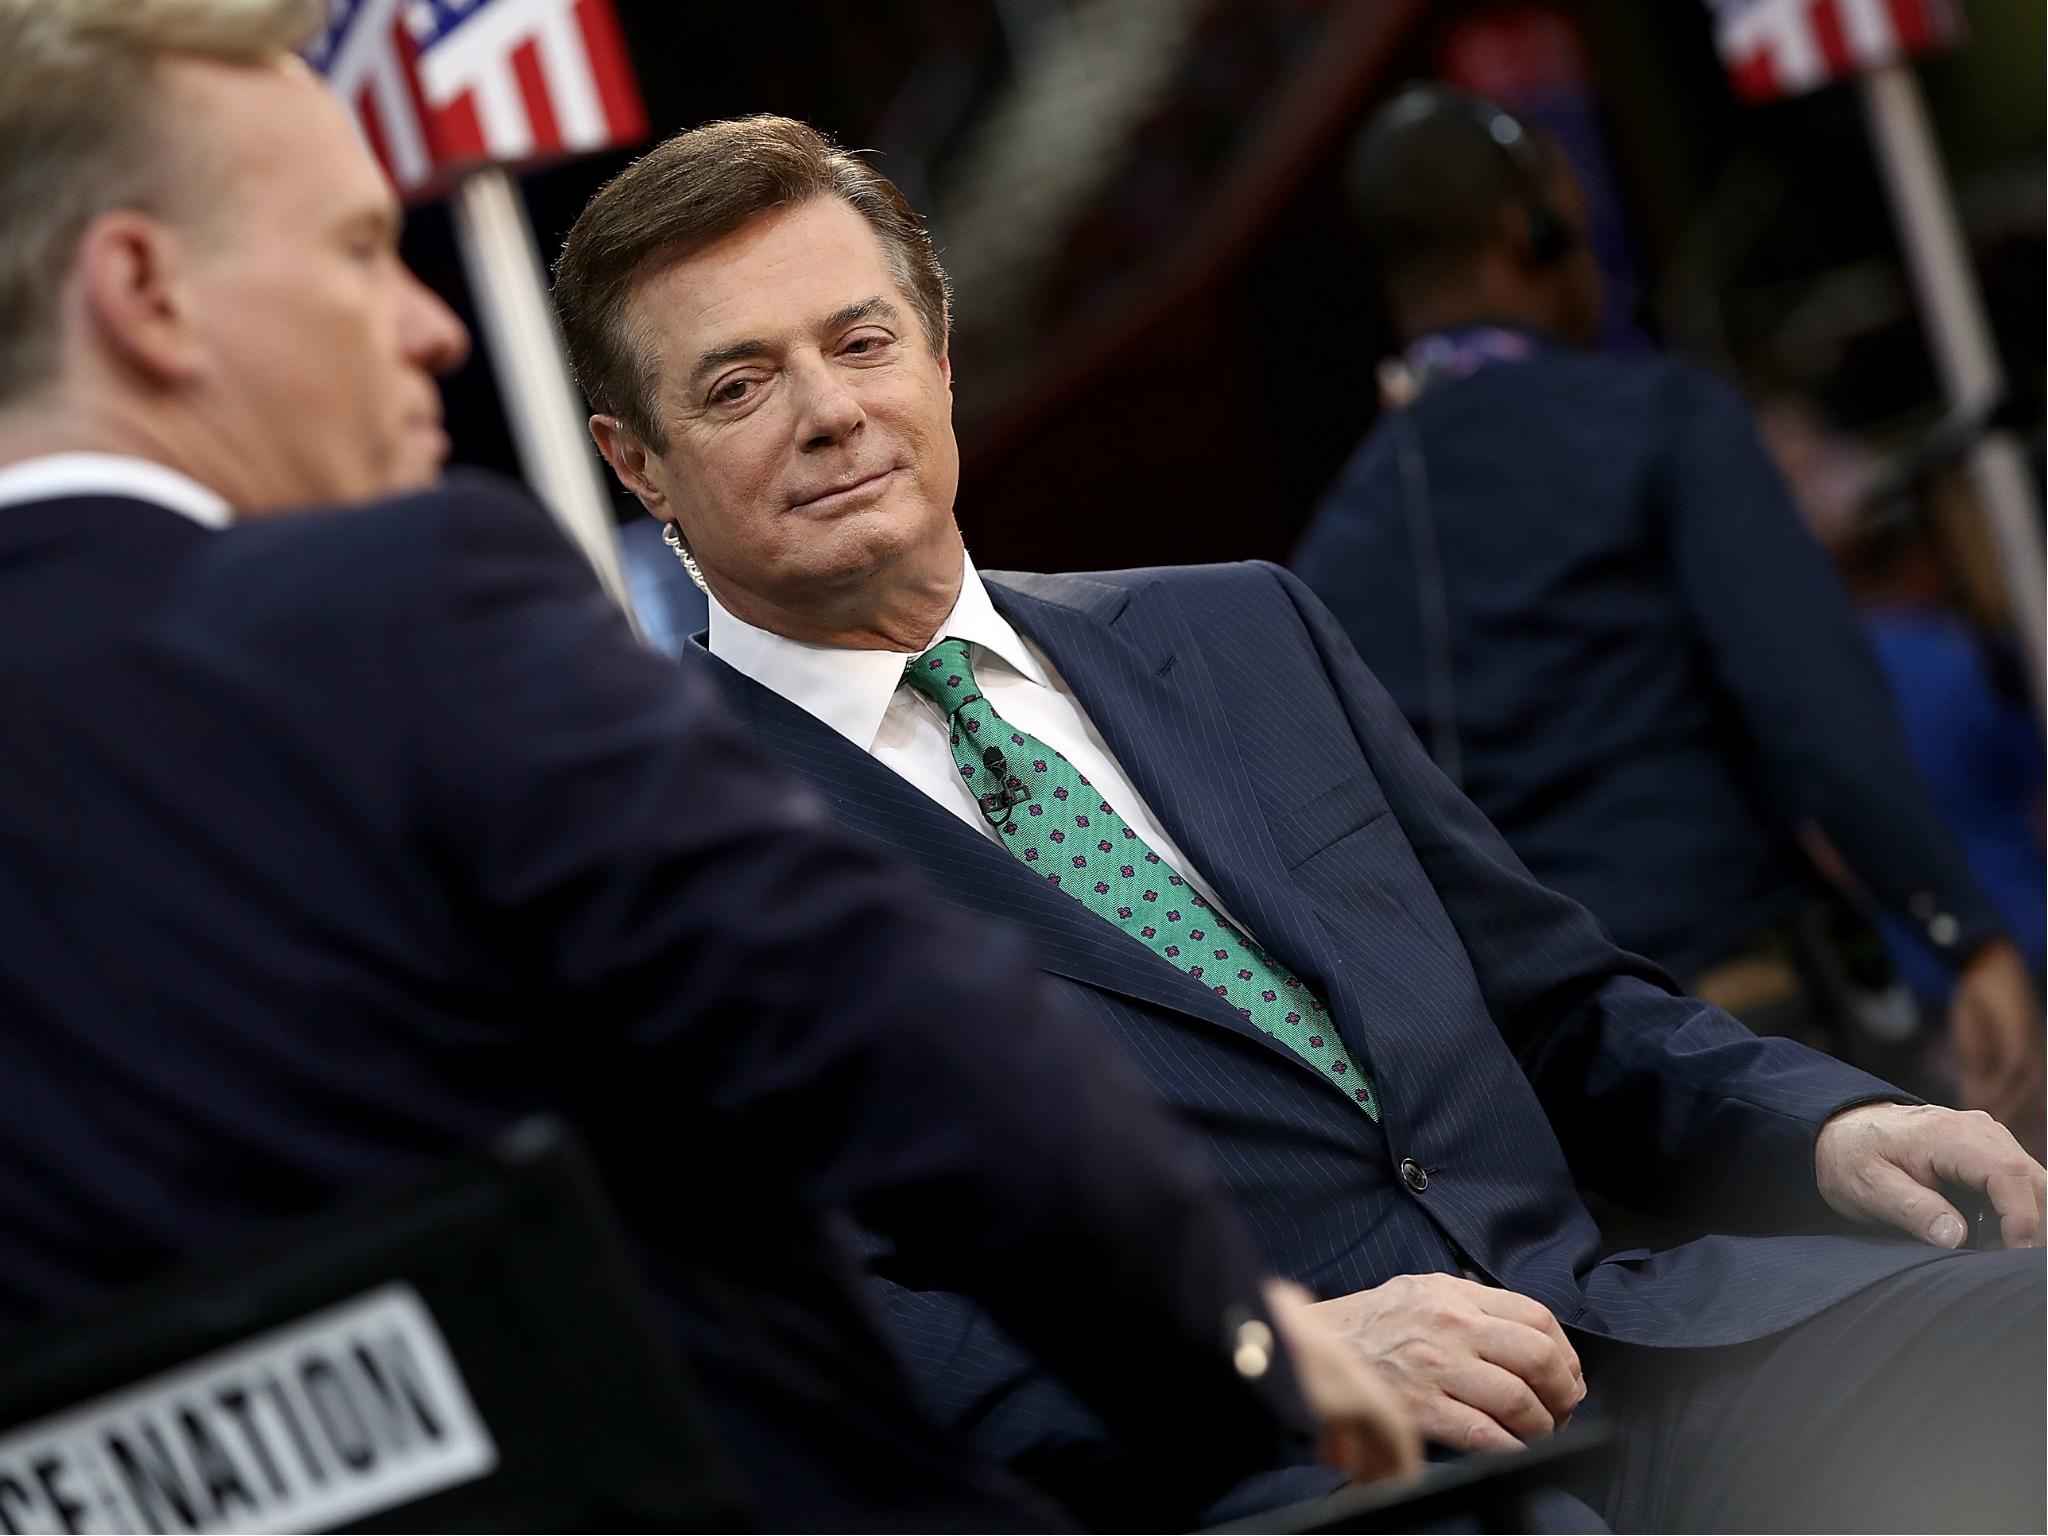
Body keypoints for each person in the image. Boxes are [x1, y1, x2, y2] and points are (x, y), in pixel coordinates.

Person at [0, 4, 1423, 1528]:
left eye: (865, 343)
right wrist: (1241, 1341)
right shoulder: (401, 607)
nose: (429, 326)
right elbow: (896, 1037)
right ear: (145, 290)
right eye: (358, 249)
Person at [555, 112, 2047, 1532]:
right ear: (639, 463)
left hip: (1642, 1349)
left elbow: (1559, 1008)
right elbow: (837, 1350)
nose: (830, 412)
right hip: (1302, 1485)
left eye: (860, 341)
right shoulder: (661, 865)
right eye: (740, 385)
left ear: (939, 354)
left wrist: (1833, 1125)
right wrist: (1281, 1360)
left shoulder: (1245, 628)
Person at [1290, 86, 2042, 1137]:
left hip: (1547, 1096)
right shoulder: (1660, 418)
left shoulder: (1329, 551)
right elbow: (1813, 704)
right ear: (1530, 229)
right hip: (1753, 1034)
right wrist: (1960, 929)